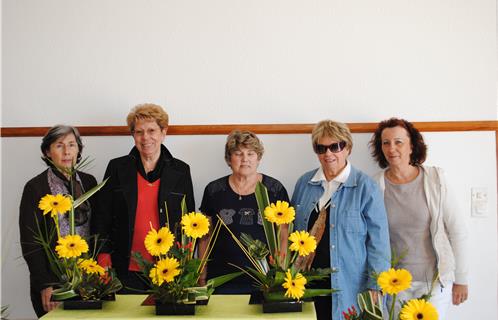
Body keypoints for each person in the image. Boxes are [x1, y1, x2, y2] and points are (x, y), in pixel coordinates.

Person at [369, 117, 468, 319]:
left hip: (434, 282)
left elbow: (458, 231)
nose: (391, 148)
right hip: (393, 284)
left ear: (412, 146)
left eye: (398, 142)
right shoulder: (375, 185)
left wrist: (462, 279)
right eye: (385, 143)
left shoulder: (435, 180)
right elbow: (371, 239)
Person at [291, 120, 390, 320]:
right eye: (321, 148)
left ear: (347, 148)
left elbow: (379, 242)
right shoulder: (304, 183)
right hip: (306, 285)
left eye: (335, 146)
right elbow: (293, 232)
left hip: (348, 287)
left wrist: (376, 286)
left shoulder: (365, 187)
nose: (328, 154)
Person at [93, 103, 195, 291]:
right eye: (139, 132)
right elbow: (102, 216)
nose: (145, 137)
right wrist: (103, 256)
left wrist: (185, 262)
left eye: (151, 130)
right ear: (133, 135)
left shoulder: (181, 170)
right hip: (124, 268)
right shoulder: (117, 168)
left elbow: (188, 222)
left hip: (168, 268)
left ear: (163, 132)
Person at [19, 125, 97, 318]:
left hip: (89, 280)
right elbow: (30, 241)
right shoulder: (35, 187)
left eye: (72, 145)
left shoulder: (89, 182)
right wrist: (45, 284)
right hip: (54, 284)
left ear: (79, 150)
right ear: (47, 151)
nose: (67, 151)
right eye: (59, 145)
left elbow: (99, 227)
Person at [199, 130, 289, 293]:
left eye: (251, 153)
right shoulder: (213, 190)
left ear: (258, 157)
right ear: (229, 159)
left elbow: (283, 234)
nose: (245, 159)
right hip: (221, 277)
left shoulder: (274, 190)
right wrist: (201, 271)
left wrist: (280, 271)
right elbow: (205, 236)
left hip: (264, 278)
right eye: (238, 153)